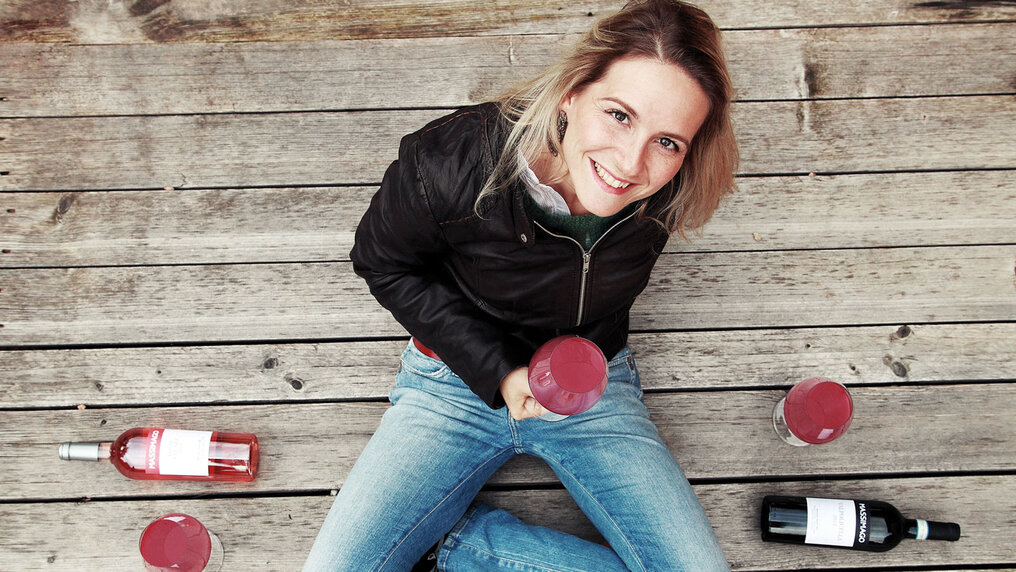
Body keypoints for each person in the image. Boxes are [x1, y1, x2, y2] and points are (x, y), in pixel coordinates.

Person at [303, 0, 738, 569]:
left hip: (590, 382)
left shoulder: (669, 189)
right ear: (572, 92)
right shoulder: (448, 161)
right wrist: (496, 367)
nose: (631, 164)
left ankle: (459, 548)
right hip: (455, 380)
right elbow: (382, 262)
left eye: (668, 142)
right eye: (619, 115)